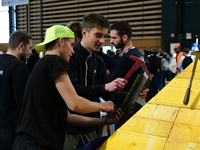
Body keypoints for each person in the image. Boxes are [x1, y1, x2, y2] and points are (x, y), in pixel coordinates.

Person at [12, 25, 124, 150]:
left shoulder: (43, 63)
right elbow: (75, 104)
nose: (73, 51)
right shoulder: (55, 61)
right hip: (36, 144)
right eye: (71, 45)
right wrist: (104, 106)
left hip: (28, 143)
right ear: (61, 41)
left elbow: (68, 117)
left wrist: (103, 121)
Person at [64, 13, 128, 150]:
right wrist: (105, 87)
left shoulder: (98, 60)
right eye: (98, 35)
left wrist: (131, 95)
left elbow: (108, 96)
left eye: (104, 36)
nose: (102, 40)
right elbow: (74, 93)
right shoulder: (70, 57)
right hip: (69, 128)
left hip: (91, 126)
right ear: (84, 33)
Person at [109, 21, 149, 129]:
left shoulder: (129, 57)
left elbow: (109, 86)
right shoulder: (136, 54)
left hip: (127, 112)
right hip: (133, 109)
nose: (111, 41)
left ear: (124, 37)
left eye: (114, 38)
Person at [0, 31, 32, 150]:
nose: (30, 52)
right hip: (12, 129)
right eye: (29, 48)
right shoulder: (19, 66)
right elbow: (23, 100)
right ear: (21, 46)